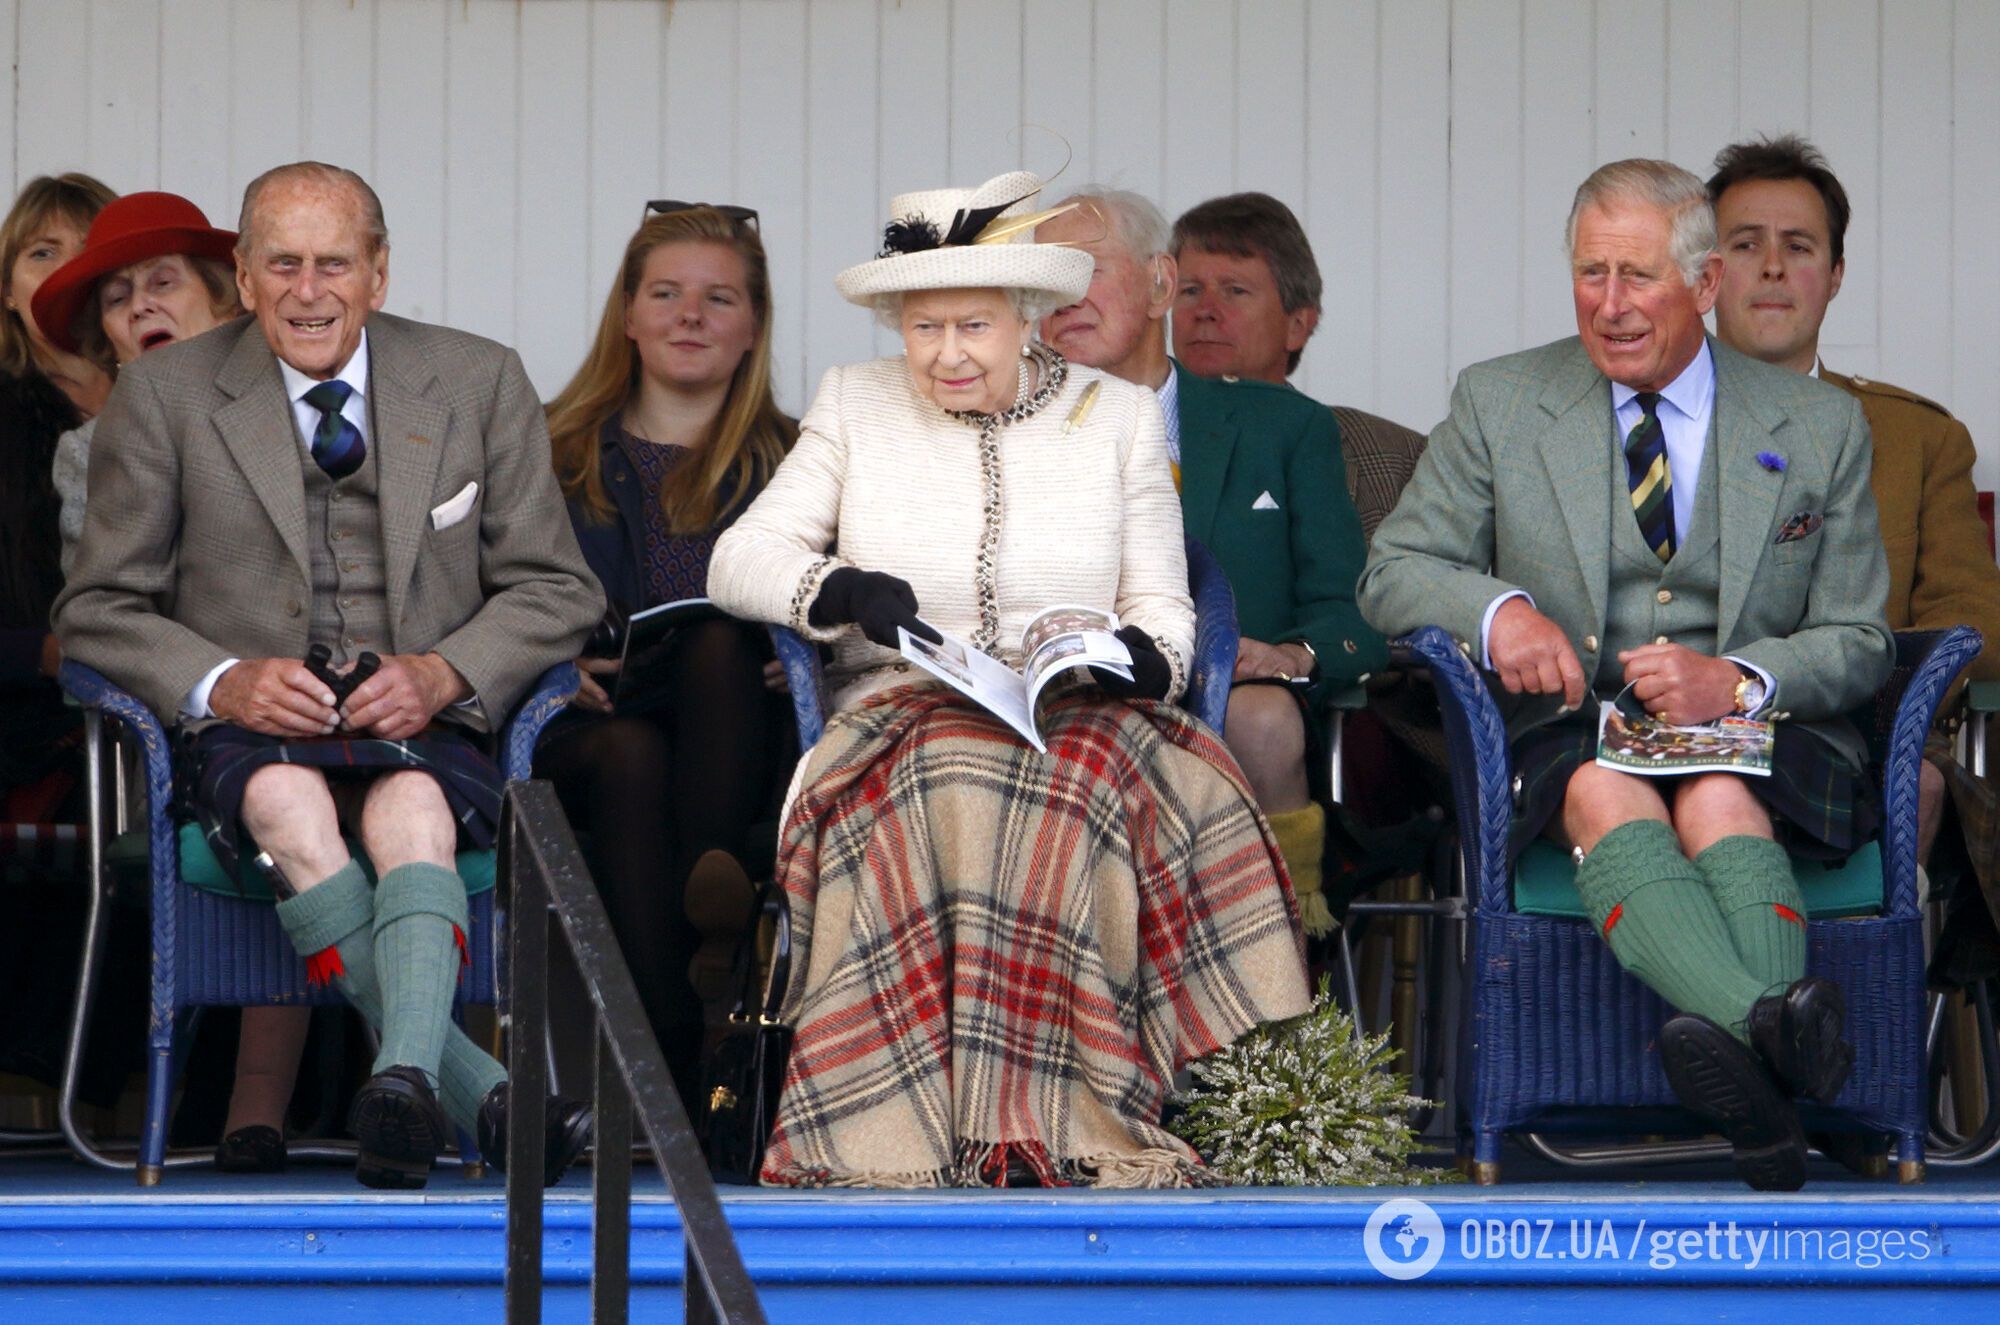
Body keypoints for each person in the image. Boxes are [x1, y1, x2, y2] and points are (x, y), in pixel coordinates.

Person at [709, 168, 1309, 1189]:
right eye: (922, 326)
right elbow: (737, 560)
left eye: (972, 326)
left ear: (1029, 316)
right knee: (947, 773)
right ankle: (914, 1130)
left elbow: (1166, 606)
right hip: (902, 710)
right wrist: (841, 588)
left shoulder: (1115, 415)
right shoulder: (853, 402)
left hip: (1086, 713)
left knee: (1076, 789)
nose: (944, 354)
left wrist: (1133, 659)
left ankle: (1058, 1120)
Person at [53, 161, 604, 1190]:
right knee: (288, 802)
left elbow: (554, 587)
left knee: (414, 816)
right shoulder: (165, 395)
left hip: (418, 721)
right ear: (245, 276)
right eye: (285, 265)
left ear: (379, 274)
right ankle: (469, 1089)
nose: (310, 291)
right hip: (253, 733)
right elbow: (96, 607)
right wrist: (224, 681)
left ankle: (404, 1079)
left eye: (335, 265)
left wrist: (444, 672)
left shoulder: (478, 377)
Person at [1358, 158, 1894, 1191]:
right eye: (1588, 272)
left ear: (1701, 285)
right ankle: (1775, 1049)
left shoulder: (1815, 425)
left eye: (1636, 276)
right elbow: (1393, 572)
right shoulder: (1499, 399)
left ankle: (1753, 1085)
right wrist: (1497, 609)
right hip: (1568, 722)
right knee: (1604, 788)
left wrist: (1731, 678)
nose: (1607, 304)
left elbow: (1858, 637)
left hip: (1751, 729)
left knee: (1719, 794)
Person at [31, 189, 322, 1175]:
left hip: (324, 702)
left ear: (226, 305)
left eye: (163, 283)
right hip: (179, 721)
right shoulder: (93, 450)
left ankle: (296, 1097)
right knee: (290, 764)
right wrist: (230, 672)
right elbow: (106, 617)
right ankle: (259, 1102)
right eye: (118, 298)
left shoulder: (321, 416)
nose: (140, 306)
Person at [1037, 187, 1384, 933]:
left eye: (1084, 271)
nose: (1061, 297)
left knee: (1261, 717)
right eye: (1042, 280)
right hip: (1062, 705)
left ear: (1160, 284)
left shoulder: (1284, 427)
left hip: (1227, 709)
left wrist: (1291, 654)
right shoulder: (1005, 427)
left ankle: (1278, 977)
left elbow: (1356, 613)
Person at [537, 201, 795, 1105]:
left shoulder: (802, 461)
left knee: (723, 642)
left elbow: (847, 596)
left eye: (719, 298)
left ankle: (671, 1067)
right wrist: (543, 666)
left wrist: (806, 651)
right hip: (587, 713)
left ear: (753, 326)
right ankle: (708, 950)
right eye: (667, 293)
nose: (691, 316)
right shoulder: (544, 448)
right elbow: (475, 589)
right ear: (629, 314)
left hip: (738, 724)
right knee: (628, 750)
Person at [1706, 134, 2000, 871]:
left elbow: (1977, 621)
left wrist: (1870, 702)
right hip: (1683, 730)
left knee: (1923, 785)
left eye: (1799, 247)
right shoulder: (1635, 425)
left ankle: (1856, 990)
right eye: (1746, 244)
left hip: (1865, 744)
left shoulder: (1916, 438)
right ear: (1703, 275)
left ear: (1834, 275)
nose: (1773, 266)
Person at [0, 171, 139, 1111]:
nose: (65, 272)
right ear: (9, 282)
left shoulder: (179, 403)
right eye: (40, 251)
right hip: (22, 700)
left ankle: (161, 1078)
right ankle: (49, 1074)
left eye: (88, 255)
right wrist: (40, 655)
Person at [1167, 190, 1428, 536]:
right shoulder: (1122, 437)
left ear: (1297, 326)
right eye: (1190, 291)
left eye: (1235, 290)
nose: (1205, 311)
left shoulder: (1396, 456)